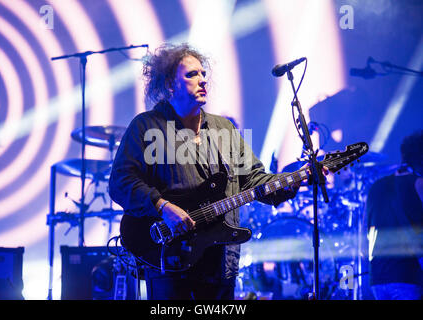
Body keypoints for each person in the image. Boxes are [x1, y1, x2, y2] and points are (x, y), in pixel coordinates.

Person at [109, 43, 304, 300]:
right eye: (192, 75)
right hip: (170, 255)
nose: (202, 80)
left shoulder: (225, 129)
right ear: (170, 85)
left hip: (222, 257)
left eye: (203, 74)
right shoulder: (146, 127)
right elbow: (121, 182)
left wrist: (295, 179)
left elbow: (254, 179)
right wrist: (162, 206)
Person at [366, 130, 423, 300]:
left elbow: (366, 230)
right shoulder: (419, 183)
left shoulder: (376, 186)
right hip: (406, 276)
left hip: (377, 278)